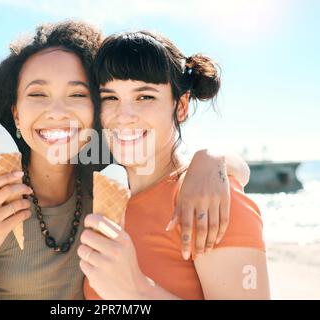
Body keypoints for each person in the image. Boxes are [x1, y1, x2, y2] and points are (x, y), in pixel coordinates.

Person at [0, 22, 250, 300]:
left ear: (97, 110)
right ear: (16, 114)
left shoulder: (108, 191)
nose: (57, 112)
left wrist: (211, 160)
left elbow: (177, 176)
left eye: (77, 95)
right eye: (38, 95)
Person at [80, 31, 270, 300]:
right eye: (110, 98)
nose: (123, 116)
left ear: (181, 107)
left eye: (145, 97)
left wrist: (137, 290)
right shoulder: (109, 201)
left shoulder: (210, 201)